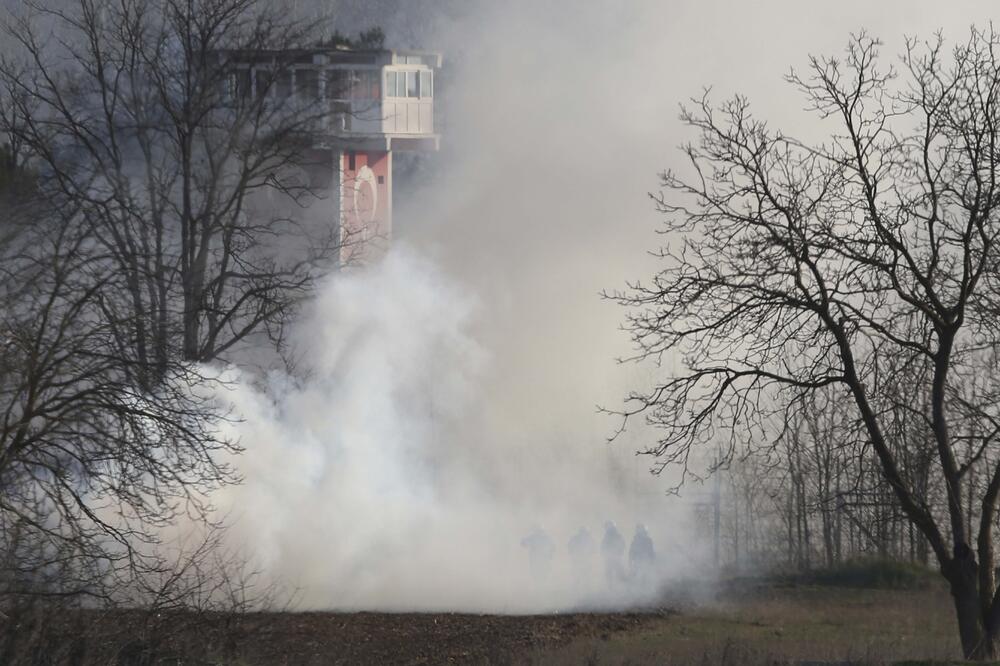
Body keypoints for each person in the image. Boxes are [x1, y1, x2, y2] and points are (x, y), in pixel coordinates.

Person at [601, 520, 626, 586]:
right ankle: (613, 587)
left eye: (607, 526)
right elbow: (603, 546)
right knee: (610, 574)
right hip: (610, 558)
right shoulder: (607, 536)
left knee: (617, 573)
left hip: (616, 557)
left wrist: (618, 553)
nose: (606, 528)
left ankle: (621, 586)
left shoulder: (616, 535)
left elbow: (622, 545)